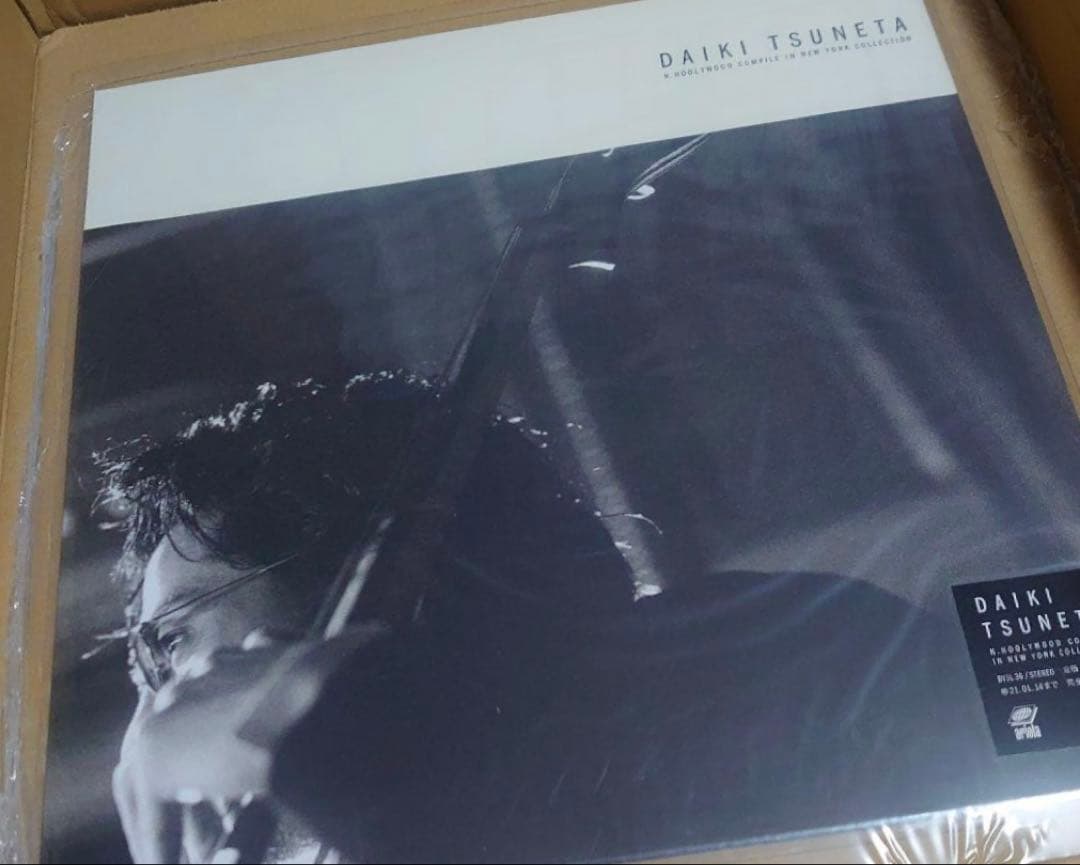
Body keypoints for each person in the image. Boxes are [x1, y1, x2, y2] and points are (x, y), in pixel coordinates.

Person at [107, 373, 981, 865]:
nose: (155, 711)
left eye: (171, 640)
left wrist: (331, 725)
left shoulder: (769, 649)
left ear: (377, 569)